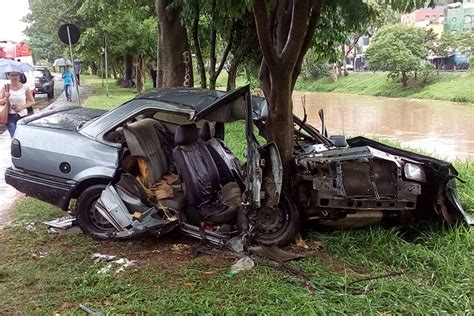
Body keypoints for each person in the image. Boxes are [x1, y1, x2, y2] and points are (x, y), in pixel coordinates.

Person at [0, 72, 35, 137]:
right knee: (15, 137)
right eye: (12, 75)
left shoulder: (25, 87)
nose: (15, 77)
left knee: (23, 137)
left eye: (17, 74)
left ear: (20, 75)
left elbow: (32, 101)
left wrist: (22, 107)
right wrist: (6, 98)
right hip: (10, 117)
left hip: (23, 117)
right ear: (8, 76)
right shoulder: (5, 88)